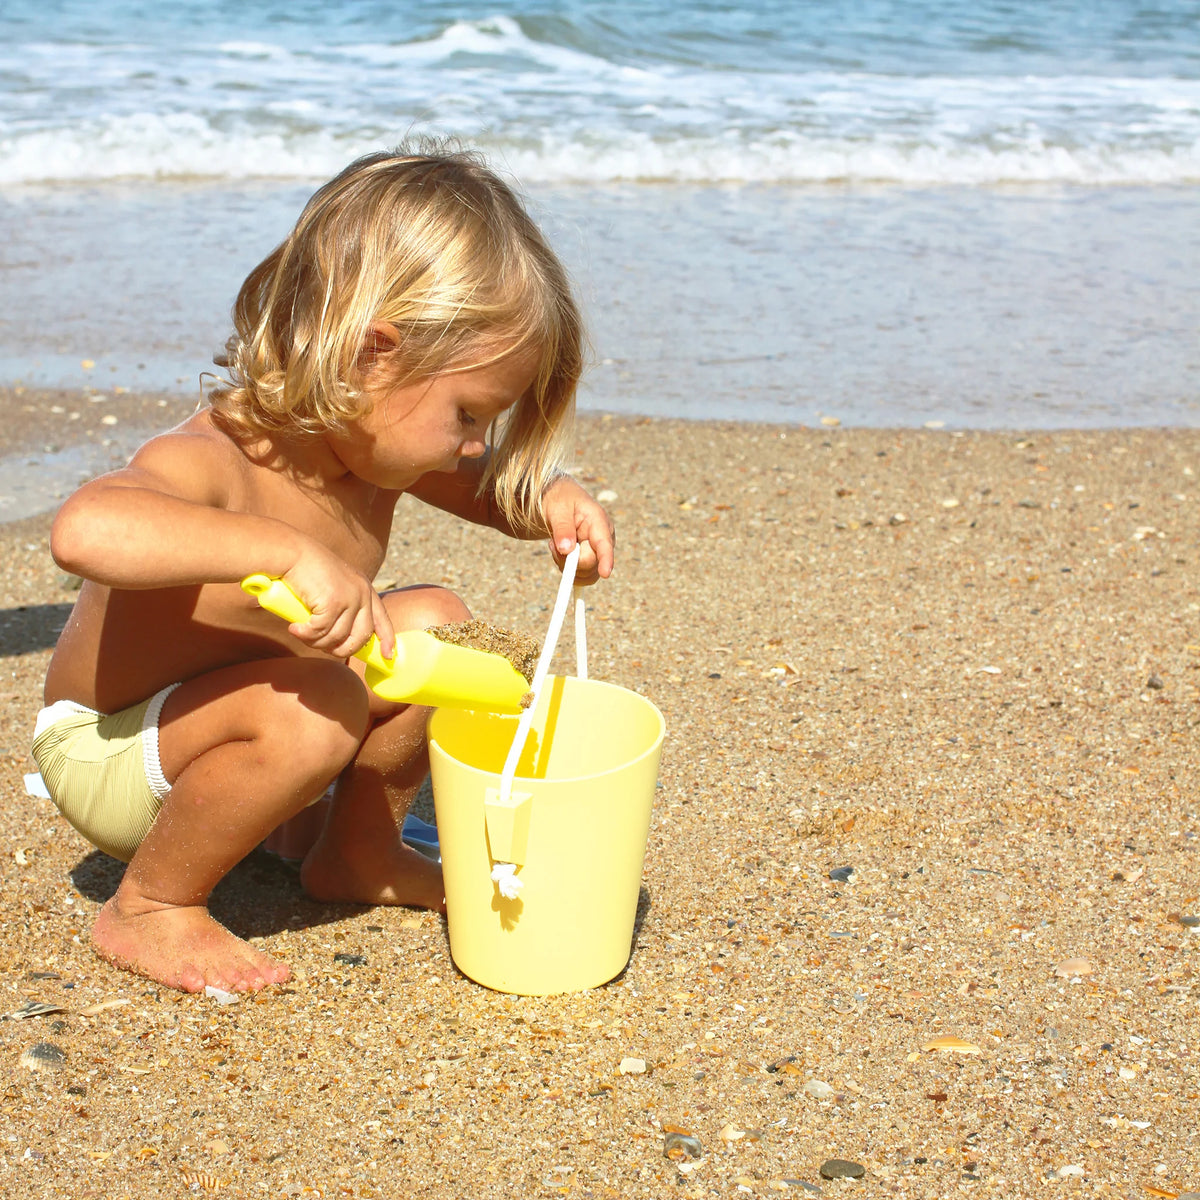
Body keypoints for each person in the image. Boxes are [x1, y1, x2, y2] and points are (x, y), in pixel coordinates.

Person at [30, 144, 614, 996]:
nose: (471, 445)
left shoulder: (379, 452)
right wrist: (282, 551)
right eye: (468, 414)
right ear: (376, 352)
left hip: (241, 724)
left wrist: (551, 499)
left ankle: (355, 850)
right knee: (324, 704)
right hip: (113, 754)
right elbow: (86, 529)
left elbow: (487, 488)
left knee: (443, 625)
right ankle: (151, 905)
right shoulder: (217, 458)